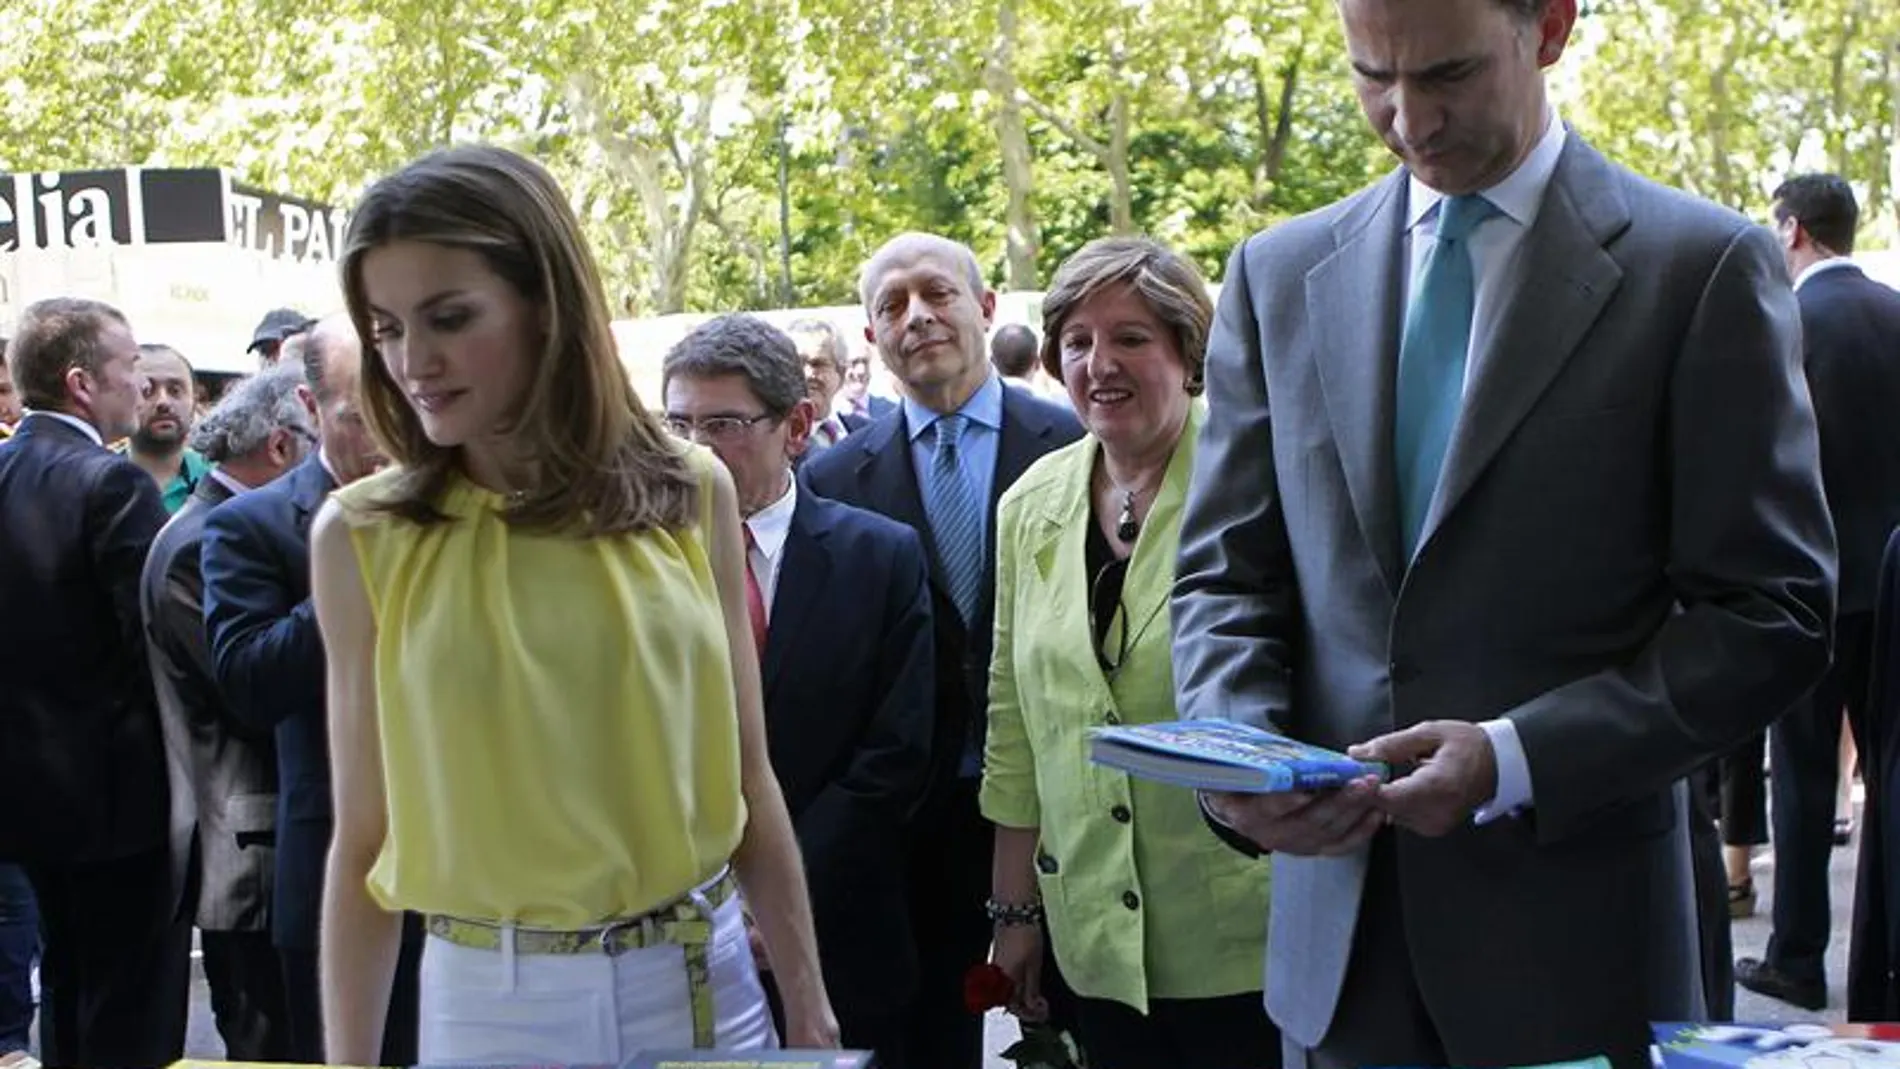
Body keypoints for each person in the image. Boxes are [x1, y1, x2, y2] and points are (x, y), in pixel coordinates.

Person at [1168, 0, 1835, 1066]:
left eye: (1446, 74)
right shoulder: (1276, 274)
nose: (1409, 120)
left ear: (1551, 27)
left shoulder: (1698, 268)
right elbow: (1222, 578)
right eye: (1370, 78)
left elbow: (1772, 613)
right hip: (1339, 963)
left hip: (1579, 948)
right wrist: (1236, 756)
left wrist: (1517, 758)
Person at [312, 145, 836, 1065]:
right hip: (489, 1008)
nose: (412, 362)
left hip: (703, 985)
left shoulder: (691, 490)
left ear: (545, 304)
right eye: (386, 327)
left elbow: (750, 778)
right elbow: (362, 839)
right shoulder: (362, 536)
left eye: (448, 317)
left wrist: (811, 1003)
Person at [983, 238, 1277, 1069]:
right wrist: (1015, 917)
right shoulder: (1027, 503)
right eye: (1076, 341)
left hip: (1245, 937)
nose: (1098, 363)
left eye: (1132, 338)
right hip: (1095, 945)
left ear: (1189, 352)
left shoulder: (1262, 476)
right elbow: (1014, 727)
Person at [803, 231, 1083, 1069]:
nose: (917, 316)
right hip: (909, 828)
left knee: (1074, 1037)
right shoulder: (834, 479)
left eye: (938, 293)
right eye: (891, 305)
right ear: (870, 337)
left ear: (987, 307)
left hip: (1056, 809)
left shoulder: (1075, 444)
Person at [662, 314, 935, 1067]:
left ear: (797, 424)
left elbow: (896, 754)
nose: (695, 449)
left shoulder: (877, 556)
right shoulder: (628, 572)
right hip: (674, 940)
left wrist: (774, 893)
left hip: (842, 929)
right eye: (677, 423)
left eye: (722, 423)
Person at [201, 315, 410, 1066]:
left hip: (475, 878)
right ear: (310, 408)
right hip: (336, 871)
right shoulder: (251, 527)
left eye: (403, 406)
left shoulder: (468, 507)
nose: (390, 434)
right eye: (362, 415)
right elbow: (249, 681)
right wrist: (357, 572)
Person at [0, 298, 193, 1068]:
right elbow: (158, 645)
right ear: (82, 383)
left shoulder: (9, 471)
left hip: (27, 805)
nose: (143, 388)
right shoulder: (109, 486)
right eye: (129, 369)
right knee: (128, 1012)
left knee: (72, 993)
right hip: (119, 808)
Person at [1740, 173, 1900, 1012]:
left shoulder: (1787, 321)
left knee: (1801, 780)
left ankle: (1796, 958)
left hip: (1813, 587)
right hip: (1896, 586)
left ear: (1794, 230)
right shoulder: (1895, 313)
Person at [141, 365, 316, 1062]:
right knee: (274, 1043)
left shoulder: (209, 528)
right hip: (250, 853)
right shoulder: (200, 540)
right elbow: (250, 696)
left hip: (263, 845)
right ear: (281, 445)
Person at [128, 344, 210, 513]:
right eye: (147, 390)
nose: (163, 402)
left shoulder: (218, 479)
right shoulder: (96, 477)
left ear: (195, 401)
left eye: (175, 390)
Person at [785, 318, 855, 445]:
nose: (807, 374)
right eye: (798, 363)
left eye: (818, 364)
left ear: (841, 373)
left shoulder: (864, 433)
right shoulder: (768, 440)